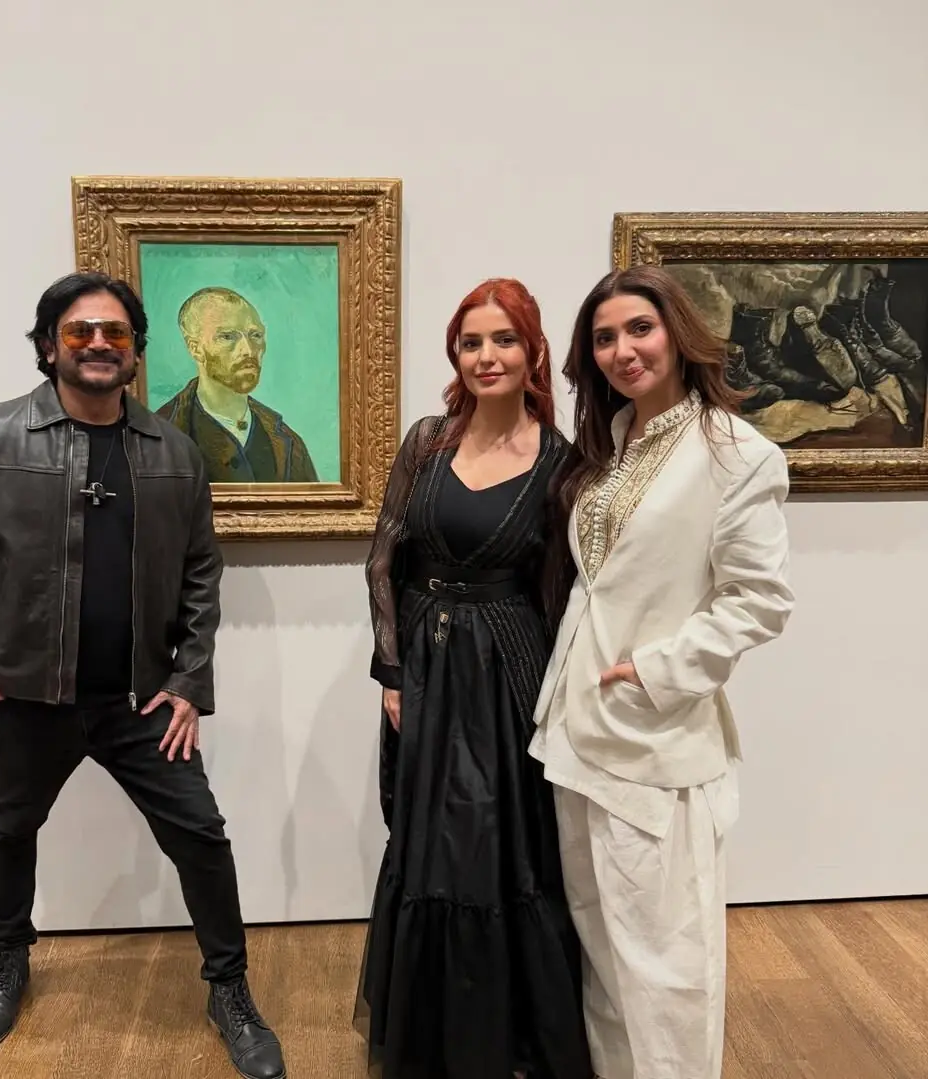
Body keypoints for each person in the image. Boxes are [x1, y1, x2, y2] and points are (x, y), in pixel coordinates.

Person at [0, 272, 285, 1079]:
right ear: (49, 346)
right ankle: (8, 958)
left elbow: (202, 573)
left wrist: (189, 679)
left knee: (201, 835)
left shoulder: (175, 453)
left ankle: (230, 989)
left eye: (115, 332)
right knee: (10, 829)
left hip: (142, 700)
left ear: (137, 351)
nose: (99, 344)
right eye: (80, 332)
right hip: (24, 696)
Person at [530, 265, 796, 1079]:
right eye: (604, 337)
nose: (623, 350)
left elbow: (760, 601)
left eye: (639, 329)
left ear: (678, 334)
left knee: (666, 971)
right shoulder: (611, 445)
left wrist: (654, 671)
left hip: (657, 744)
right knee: (605, 959)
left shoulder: (738, 453)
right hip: (576, 737)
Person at [355, 278, 592, 1079]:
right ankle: (428, 1031)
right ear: (455, 354)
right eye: (471, 342)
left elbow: (559, 591)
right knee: (426, 836)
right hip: (424, 660)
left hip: (508, 669)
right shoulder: (428, 440)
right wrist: (391, 671)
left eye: (503, 340)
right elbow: (384, 558)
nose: (486, 356)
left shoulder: (562, 462)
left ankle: (505, 1031)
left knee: (497, 840)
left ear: (533, 351)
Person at [155, 287, 318, 483]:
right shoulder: (160, 434)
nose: (248, 350)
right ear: (195, 349)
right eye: (227, 337)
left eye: (255, 335)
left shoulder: (288, 442)